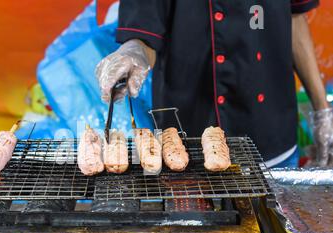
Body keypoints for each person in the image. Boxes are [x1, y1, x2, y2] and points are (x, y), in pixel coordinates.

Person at [96, 0, 333, 168]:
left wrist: (322, 111)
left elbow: (295, 17)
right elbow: (145, 30)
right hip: (188, 136)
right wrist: (134, 51)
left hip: (271, 129)